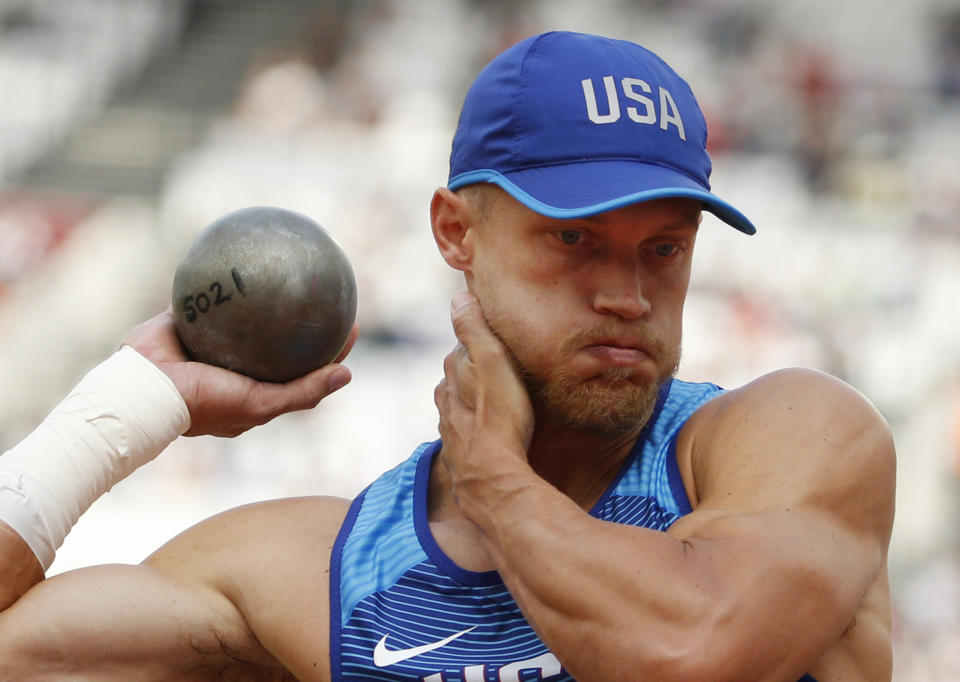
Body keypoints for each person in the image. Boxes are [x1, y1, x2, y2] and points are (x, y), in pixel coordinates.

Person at [0, 31, 894, 682]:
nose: (627, 293)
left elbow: (686, 652)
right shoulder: (311, 569)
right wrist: (123, 408)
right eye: (575, 239)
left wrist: (498, 482)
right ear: (455, 231)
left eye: (664, 247)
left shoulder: (789, 441)